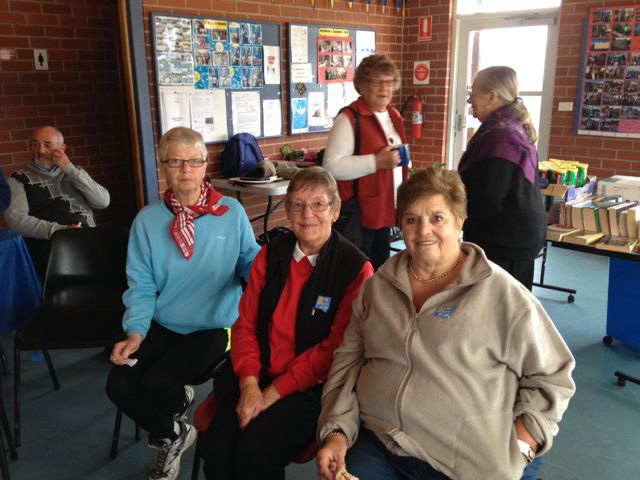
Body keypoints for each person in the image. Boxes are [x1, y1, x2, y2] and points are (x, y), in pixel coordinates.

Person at [316, 167, 575, 480]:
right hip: (381, 442)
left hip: (463, 463)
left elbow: (553, 376)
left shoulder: (504, 295)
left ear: (460, 221)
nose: (423, 230)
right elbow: (348, 362)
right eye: (412, 219)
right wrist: (337, 432)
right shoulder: (377, 288)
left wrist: (523, 445)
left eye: (437, 218)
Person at [105, 127, 260, 480]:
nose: (185, 169)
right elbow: (141, 284)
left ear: (205, 166)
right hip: (163, 322)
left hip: (215, 326)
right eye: (175, 161)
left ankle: (172, 408)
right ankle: (176, 433)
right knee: (118, 386)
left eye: (194, 161)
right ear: (163, 167)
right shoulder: (147, 221)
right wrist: (135, 332)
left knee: (157, 384)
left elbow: (250, 264)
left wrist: (272, 275)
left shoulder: (231, 212)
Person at [201, 167, 374, 480]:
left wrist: (270, 394)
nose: (307, 214)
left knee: (255, 453)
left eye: (318, 204)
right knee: (217, 448)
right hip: (253, 373)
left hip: (310, 387)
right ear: (287, 210)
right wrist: (250, 384)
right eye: (297, 204)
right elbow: (245, 324)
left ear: (335, 210)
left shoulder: (355, 270)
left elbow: (333, 350)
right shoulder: (270, 255)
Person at [458, 66, 547, 291]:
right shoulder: (508, 127)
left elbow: (486, 198)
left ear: (492, 96)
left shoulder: (500, 137)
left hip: (505, 241)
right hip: (516, 236)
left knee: (501, 306)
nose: (469, 100)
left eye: (473, 93)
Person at [323, 54, 408, 270]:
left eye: (389, 81)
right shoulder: (349, 118)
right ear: (361, 85)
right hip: (356, 214)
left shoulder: (393, 115)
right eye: (376, 81)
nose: (384, 88)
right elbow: (331, 167)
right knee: (355, 273)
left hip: (385, 208)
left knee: (379, 271)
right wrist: (377, 162)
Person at [5, 125, 110, 276]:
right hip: (52, 250)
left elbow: (103, 201)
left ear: (62, 148)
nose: (40, 150)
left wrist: (69, 169)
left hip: (89, 241)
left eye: (47, 145)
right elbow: (16, 221)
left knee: (118, 254)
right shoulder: (18, 179)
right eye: (35, 144)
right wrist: (62, 231)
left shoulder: (75, 173)